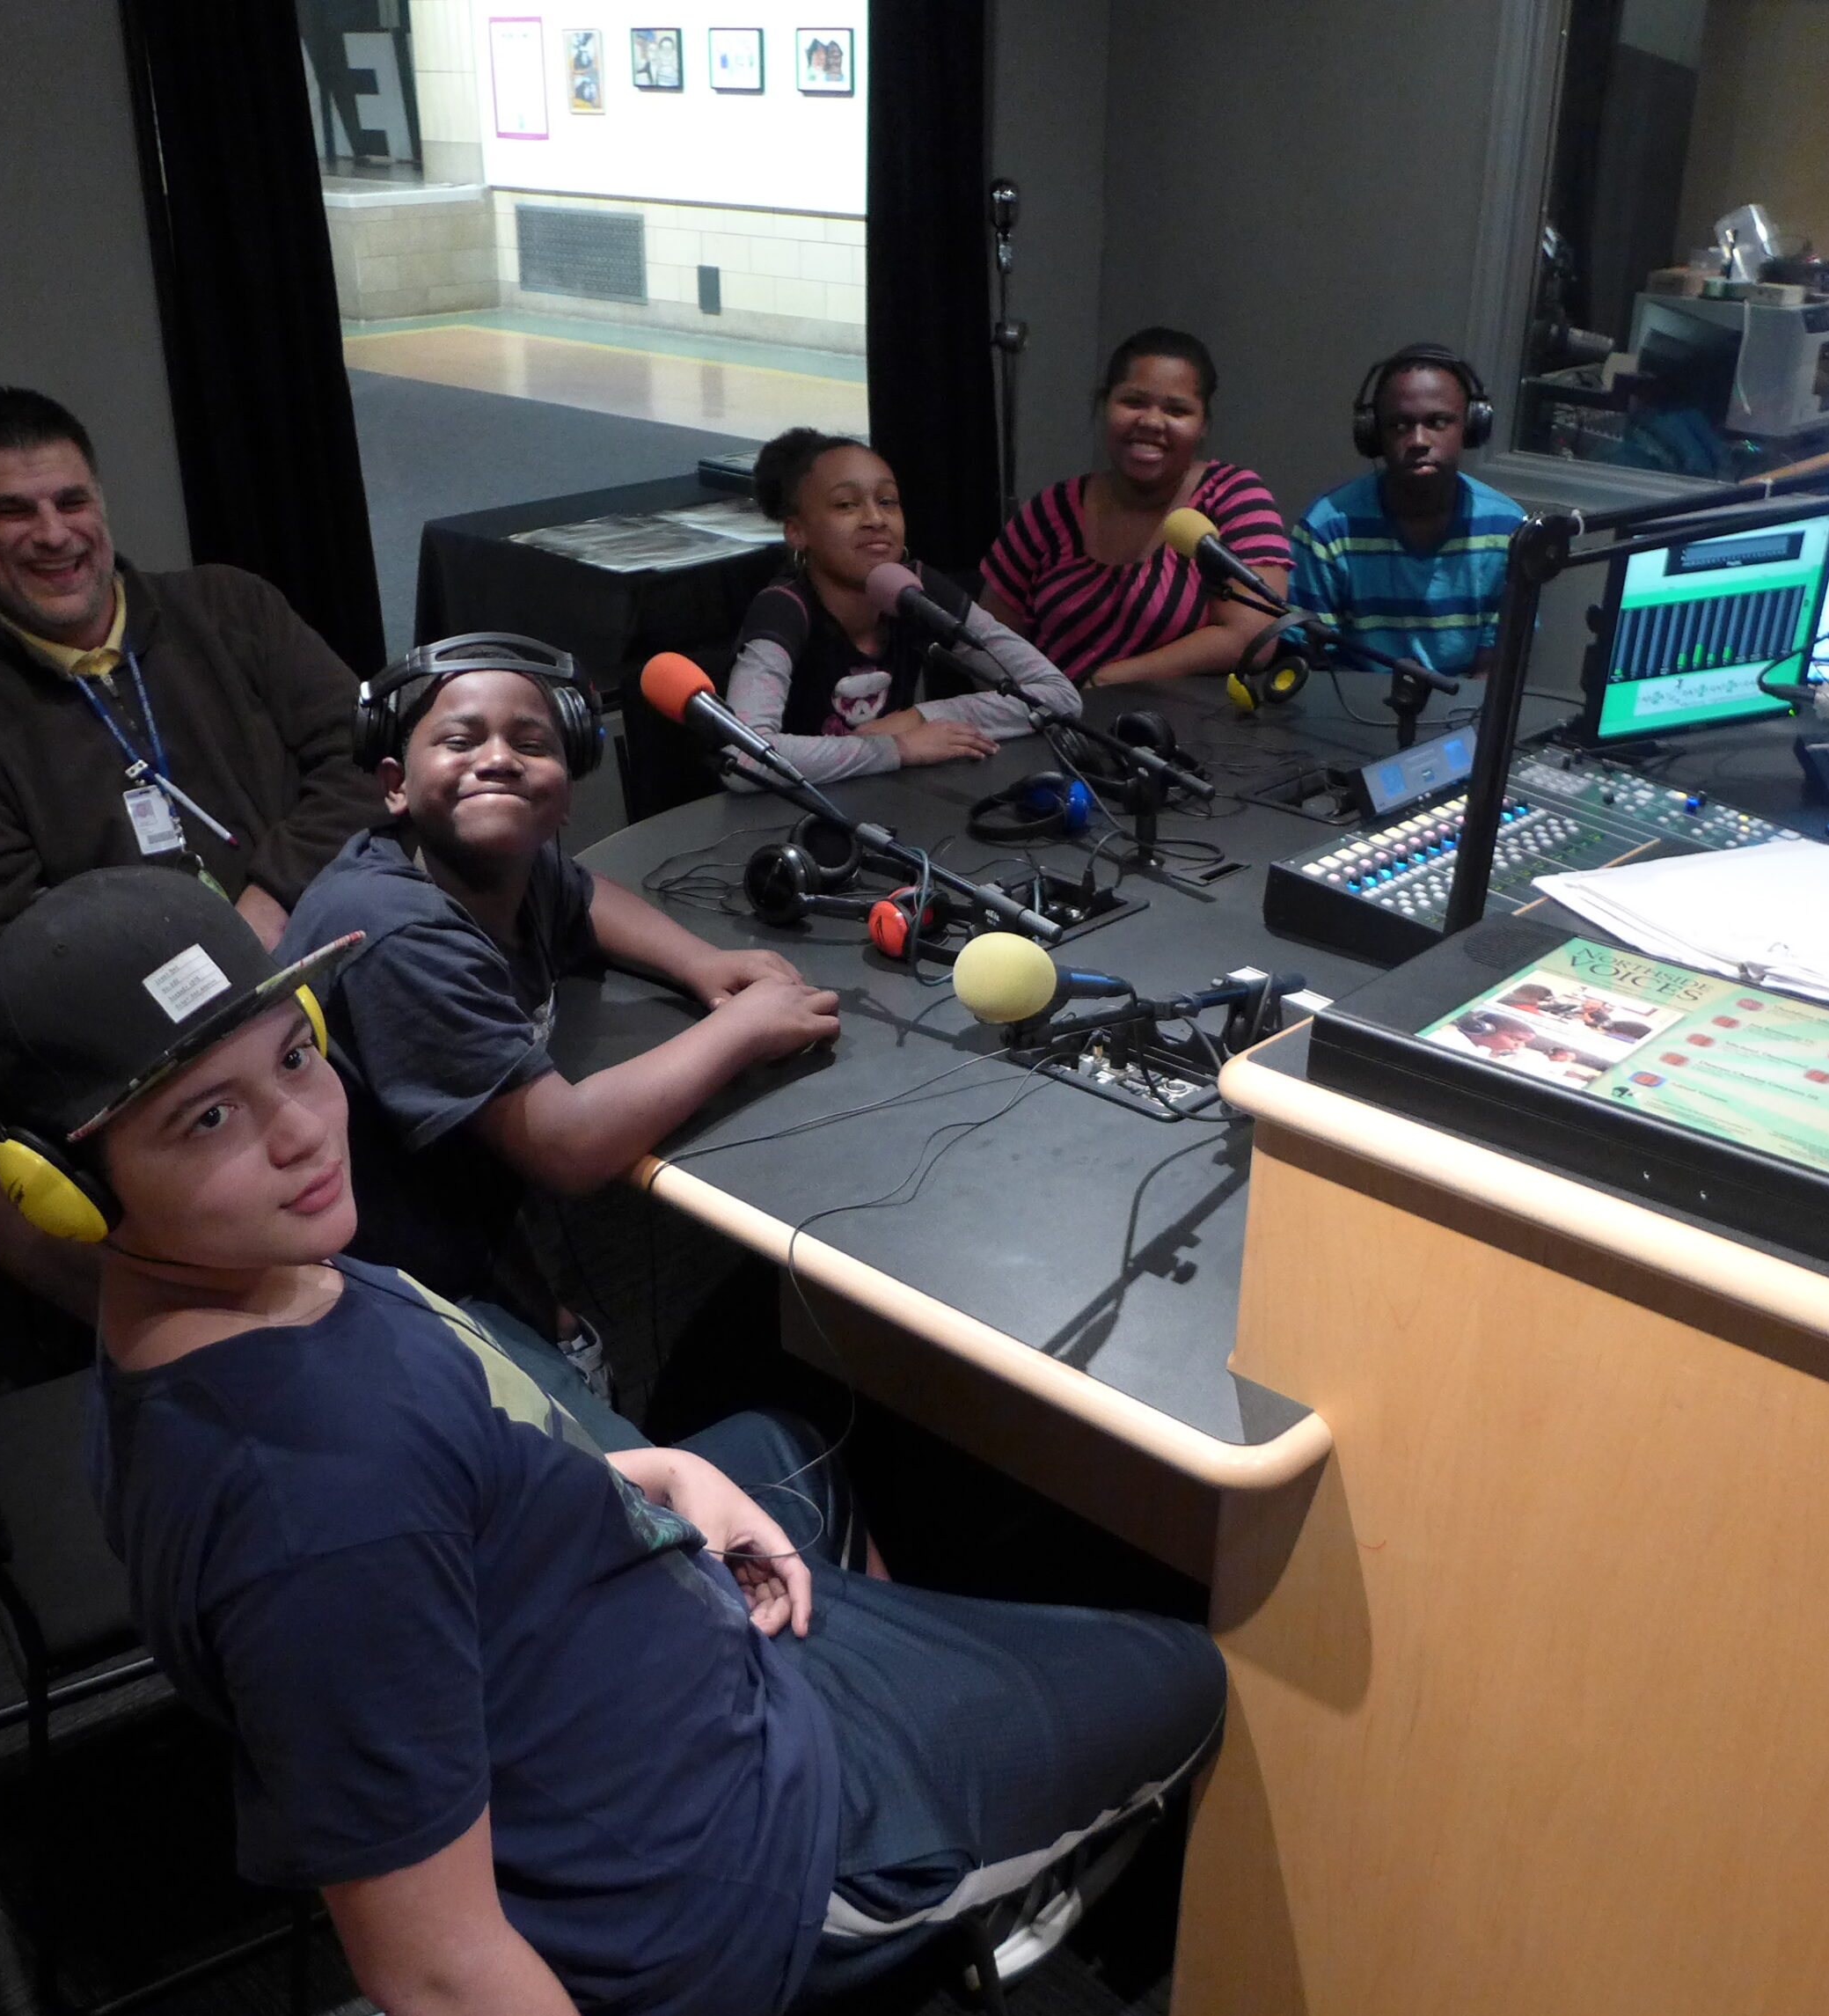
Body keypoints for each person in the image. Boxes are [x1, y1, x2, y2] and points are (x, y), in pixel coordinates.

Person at [0, 863, 1225, 2016]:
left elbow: (463, 1482)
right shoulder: (317, 1517)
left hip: (634, 1663)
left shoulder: (221, 1296)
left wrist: (646, 1476)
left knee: (759, 1429)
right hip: (735, 1864)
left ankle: (901, 1679)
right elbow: (431, 1967)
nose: (303, 1130)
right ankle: (948, 1863)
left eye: (294, 1057)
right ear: (70, 1192)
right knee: (1187, 1673)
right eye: (206, 1116)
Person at [277, 634, 839, 1437]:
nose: (499, 758)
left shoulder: (494, 860)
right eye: (462, 741)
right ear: (395, 787)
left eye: (531, 743)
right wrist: (743, 1030)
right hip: (377, 1290)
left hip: (458, 1216)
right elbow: (568, 1147)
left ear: (566, 793)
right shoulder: (394, 931)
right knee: (590, 1477)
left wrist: (702, 963)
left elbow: (582, 893)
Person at [0, 386, 378, 1316]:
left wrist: (267, 903)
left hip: (307, 925)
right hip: (137, 1024)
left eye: (70, 501)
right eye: (12, 510)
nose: (52, 533)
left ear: (102, 502)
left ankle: (514, 1300)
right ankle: (183, 1333)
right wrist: (164, 978)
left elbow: (363, 756)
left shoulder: (231, 608)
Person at [721, 429, 1079, 784]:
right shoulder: (782, 609)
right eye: (846, 505)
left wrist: (920, 718)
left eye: (888, 501)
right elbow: (744, 756)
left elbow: (1058, 695)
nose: (875, 519)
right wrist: (895, 748)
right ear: (797, 532)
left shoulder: (916, 588)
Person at [982, 326, 1290, 687]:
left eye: (1177, 410)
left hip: (1191, 736)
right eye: (1134, 402)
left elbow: (1252, 637)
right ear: (1104, 405)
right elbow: (988, 644)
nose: (1151, 422)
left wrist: (1106, 682)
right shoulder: (1051, 511)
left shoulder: (1231, 497)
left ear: (1203, 425)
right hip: (1055, 728)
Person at [1286, 345, 1525, 679]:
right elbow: (1311, 662)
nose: (1418, 440)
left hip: (1463, 718)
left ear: (1470, 427)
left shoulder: (1509, 530)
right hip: (1350, 720)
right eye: (1399, 425)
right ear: (1373, 435)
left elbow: (1494, 671)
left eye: (1438, 422)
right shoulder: (1327, 529)